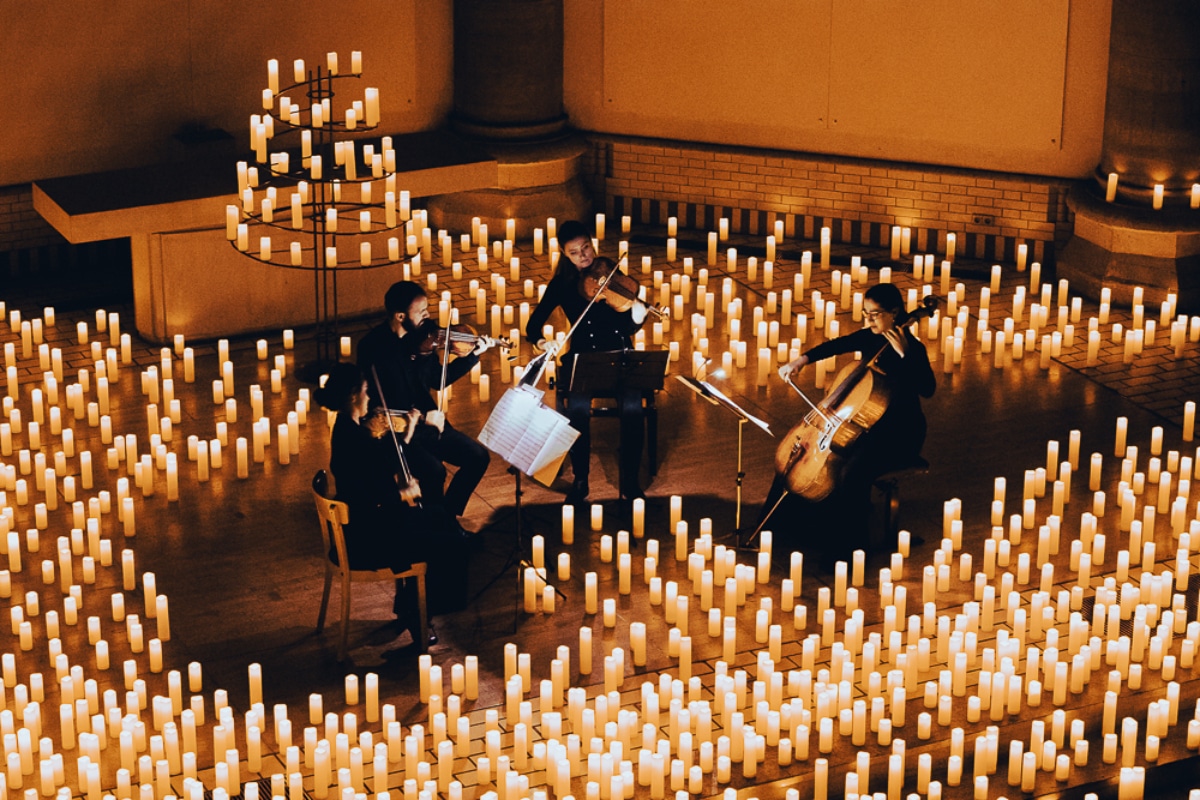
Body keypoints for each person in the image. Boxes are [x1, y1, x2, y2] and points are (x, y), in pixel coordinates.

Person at [759, 282, 936, 562]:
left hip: (900, 434)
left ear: (895, 313)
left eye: (874, 314)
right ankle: (785, 524)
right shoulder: (871, 337)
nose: (868, 319)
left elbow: (927, 388)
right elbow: (839, 345)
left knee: (850, 473)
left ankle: (849, 549)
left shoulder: (914, 348)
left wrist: (905, 355)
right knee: (799, 453)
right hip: (866, 428)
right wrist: (801, 360)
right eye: (865, 313)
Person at [313, 362, 466, 647]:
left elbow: (376, 459)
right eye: (366, 391)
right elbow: (364, 498)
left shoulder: (348, 428)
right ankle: (420, 614)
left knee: (443, 519)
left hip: (369, 525)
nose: (370, 398)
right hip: (368, 538)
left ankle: (414, 606)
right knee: (449, 545)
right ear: (353, 397)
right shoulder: (352, 437)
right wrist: (402, 495)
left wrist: (405, 437)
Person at [524, 220, 653, 503]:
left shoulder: (612, 276)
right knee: (578, 410)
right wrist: (545, 343)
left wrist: (637, 316)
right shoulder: (562, 284)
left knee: (633, 407)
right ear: (564, 254)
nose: (585, 256)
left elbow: (628, 329)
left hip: (620, 356)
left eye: (587, 247)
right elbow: (532, 328)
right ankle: (581, 480)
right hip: (582, 359)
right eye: (575, 252)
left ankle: (630, 481)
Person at [357, 281, 494, 524]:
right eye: (421, 312)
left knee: (478, 457)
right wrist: (420, 417)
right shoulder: (373, 347)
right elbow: (375, 407)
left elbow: (439, 380)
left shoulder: (423, 342)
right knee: (435, 471)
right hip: (395, 431)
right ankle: (436, 529)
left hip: (430, 425)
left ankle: (445, 518)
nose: (428, 317)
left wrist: (473, 356)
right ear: (400, 316)